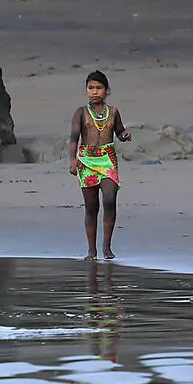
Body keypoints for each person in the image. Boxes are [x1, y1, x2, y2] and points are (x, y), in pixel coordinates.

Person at [69, 70, 130, 260]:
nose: (94, 92)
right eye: (91, 88)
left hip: (107, 159)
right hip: (86, 160)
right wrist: (73, 159)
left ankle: (107, 247)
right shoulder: (81, 113)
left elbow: (119, 132)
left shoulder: (113, 112)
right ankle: (91, 251)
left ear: (107, 91)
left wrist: (124, 136)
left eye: (99, 88)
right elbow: (73, 139)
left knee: (110, 201)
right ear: (86, 90)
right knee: (91, 206)